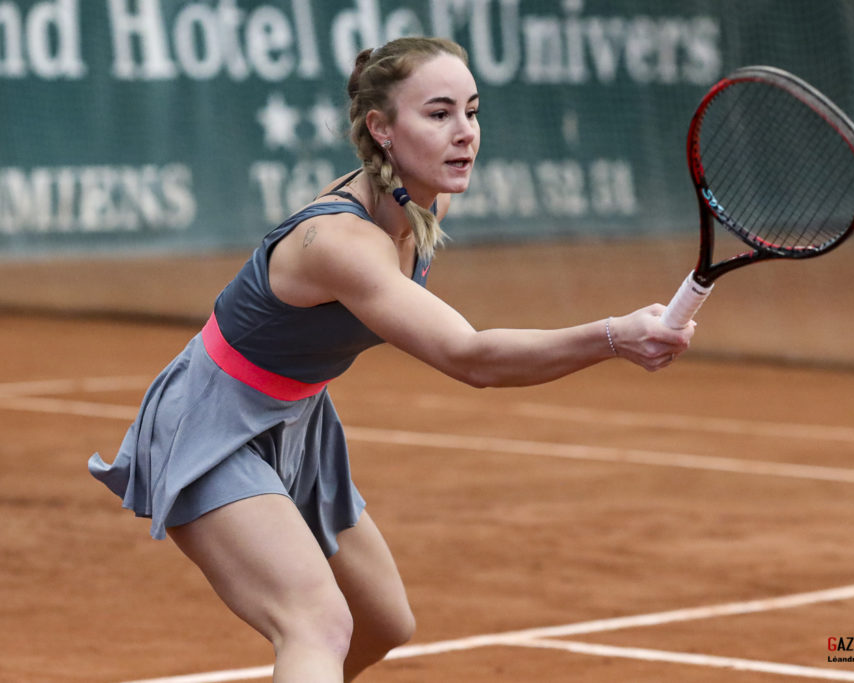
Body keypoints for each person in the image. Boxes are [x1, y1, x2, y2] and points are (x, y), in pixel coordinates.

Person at [88, 36, 696, 682]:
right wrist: (611, 335)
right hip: (213, 421)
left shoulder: (425, 196)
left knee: (382, 622)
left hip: (298, 421)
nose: (465, 133)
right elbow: (472, 356)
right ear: (381, 128)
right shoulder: (342, 242)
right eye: (438, 115)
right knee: (316, 621)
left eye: (472, 110)